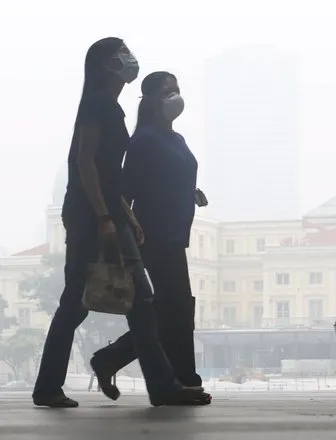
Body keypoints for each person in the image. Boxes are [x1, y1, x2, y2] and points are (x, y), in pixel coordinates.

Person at [31, 38, 210, 408]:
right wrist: (103, 217)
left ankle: (162, 387)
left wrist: (125, 216)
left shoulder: (111, 109)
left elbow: (113, 176)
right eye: (121, 52)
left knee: (143, 302)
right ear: (105, 64)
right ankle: (49, 386)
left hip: (109, 215)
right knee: (76, 305)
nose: (129, 57)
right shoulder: (98, 105)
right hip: (91, 217)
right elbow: (86, 163)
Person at [91, 71, 208, 396]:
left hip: (175, 235)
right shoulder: (143, 141)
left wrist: (192, 192)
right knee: (177, 310)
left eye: (178, 90)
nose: (175, 97)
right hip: (153, 235)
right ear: (152, 100)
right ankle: (186, 378)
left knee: (168, 311)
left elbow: (170, 177)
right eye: (168, 92)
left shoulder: (177, 140)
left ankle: (109, 360)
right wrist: (116, 233)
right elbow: (126, 191)